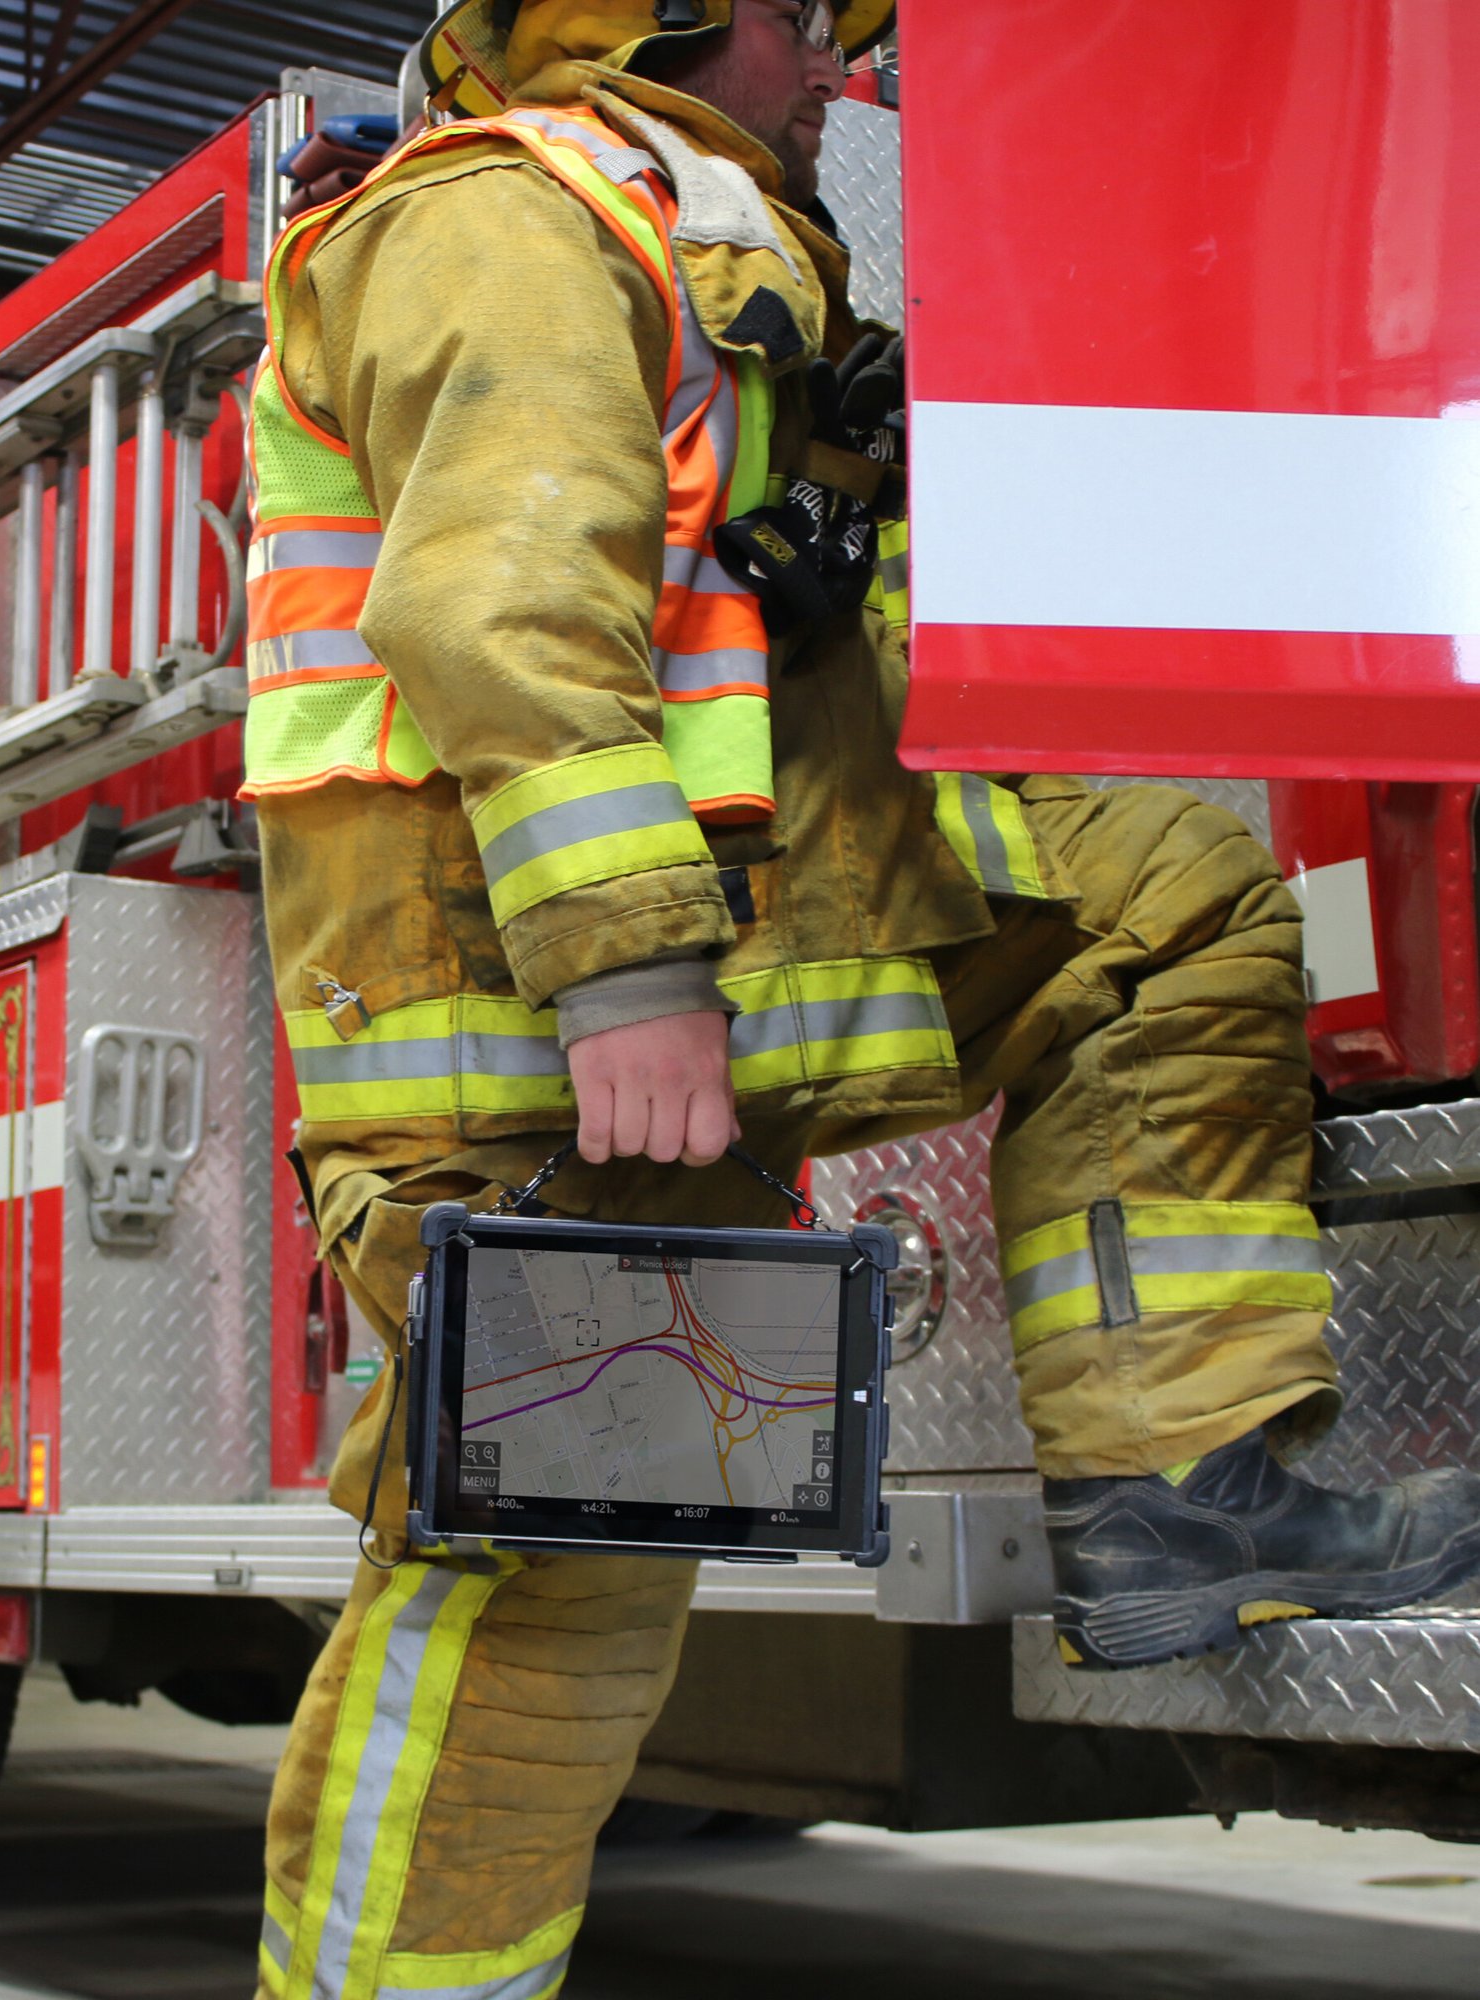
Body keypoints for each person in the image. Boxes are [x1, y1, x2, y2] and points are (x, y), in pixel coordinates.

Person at [244, 4, 1480, 1994]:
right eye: (798, 26)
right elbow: (499, 604)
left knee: (1155, 906)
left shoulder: (694, 231)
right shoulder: (498, 215)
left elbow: (738, 624)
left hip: (744, 966)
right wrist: (622, 959)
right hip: (533, 1034)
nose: (834, 65)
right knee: (555, 1583)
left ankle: (1179, 1487)